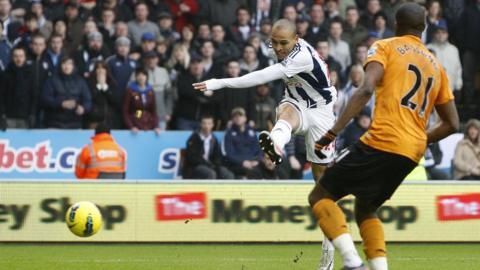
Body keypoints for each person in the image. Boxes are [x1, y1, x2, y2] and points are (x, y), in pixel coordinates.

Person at [309, 3, 459, 269]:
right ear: (423, 29)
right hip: (411, 153)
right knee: (365, 208)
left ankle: (353, 263)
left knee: (320, 196)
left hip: (382, 140)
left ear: (396, 24)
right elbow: (452, 123)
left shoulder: (385, 46)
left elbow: (365, 89)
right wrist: (420, 138)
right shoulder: (437, 66)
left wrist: (333, 131)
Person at [193, 18, 337, 269]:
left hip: (322, 113)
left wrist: (220, 82)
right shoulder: (286, 48)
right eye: (275, 42)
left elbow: (261, 76)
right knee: (286, 113)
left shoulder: (302, 56)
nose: (279, 48)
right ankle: (275, 142)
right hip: (296, 103)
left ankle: (329, 251)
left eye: (284, 43)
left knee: (323, 190)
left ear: (296, 39)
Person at [42, 56, 92, 129]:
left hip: (75, 123)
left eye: (69, 64)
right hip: (55, 123)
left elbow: (88, 100)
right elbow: (45, 99)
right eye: (64, 64)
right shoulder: (52, 80)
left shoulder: (81, 81)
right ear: (60, 65)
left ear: (73, 66)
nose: (67, 66)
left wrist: (83, 108)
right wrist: (61, 104)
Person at [183, 115, 234, 179]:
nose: (206, 126)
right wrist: (208, 164)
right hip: (195, 168)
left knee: (227, 174)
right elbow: (192, 158)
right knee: (210, 173)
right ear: (200, 124)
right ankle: (210, 189)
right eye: (204, 123)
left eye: (209, 124)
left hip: (210, 166)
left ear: (212, 125)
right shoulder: (194, 138)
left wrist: (216, 165)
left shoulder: (213, 138)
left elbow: (217, 156)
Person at [222, 107, 262, 178]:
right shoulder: (228, 134)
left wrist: (257, 160)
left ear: (245, 118)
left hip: (253, 162)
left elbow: (259, 149)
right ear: (232, 119)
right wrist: (242, 162)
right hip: (236, 164)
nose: (238, 118)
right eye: (235, 116)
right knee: (254, 172)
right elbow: (228, 154)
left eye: (240, 115)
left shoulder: (251, 132)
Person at [123, 67, 161, 134]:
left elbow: (153, 111)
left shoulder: (150, 91)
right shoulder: (130, 91)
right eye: (139, 75)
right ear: (136, 77)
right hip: (136, 124)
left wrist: (156, 126)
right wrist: (131, 126)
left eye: (143, 75)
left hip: (149, 125)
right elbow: (125, 111)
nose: (141, 77)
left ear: (146, 77)